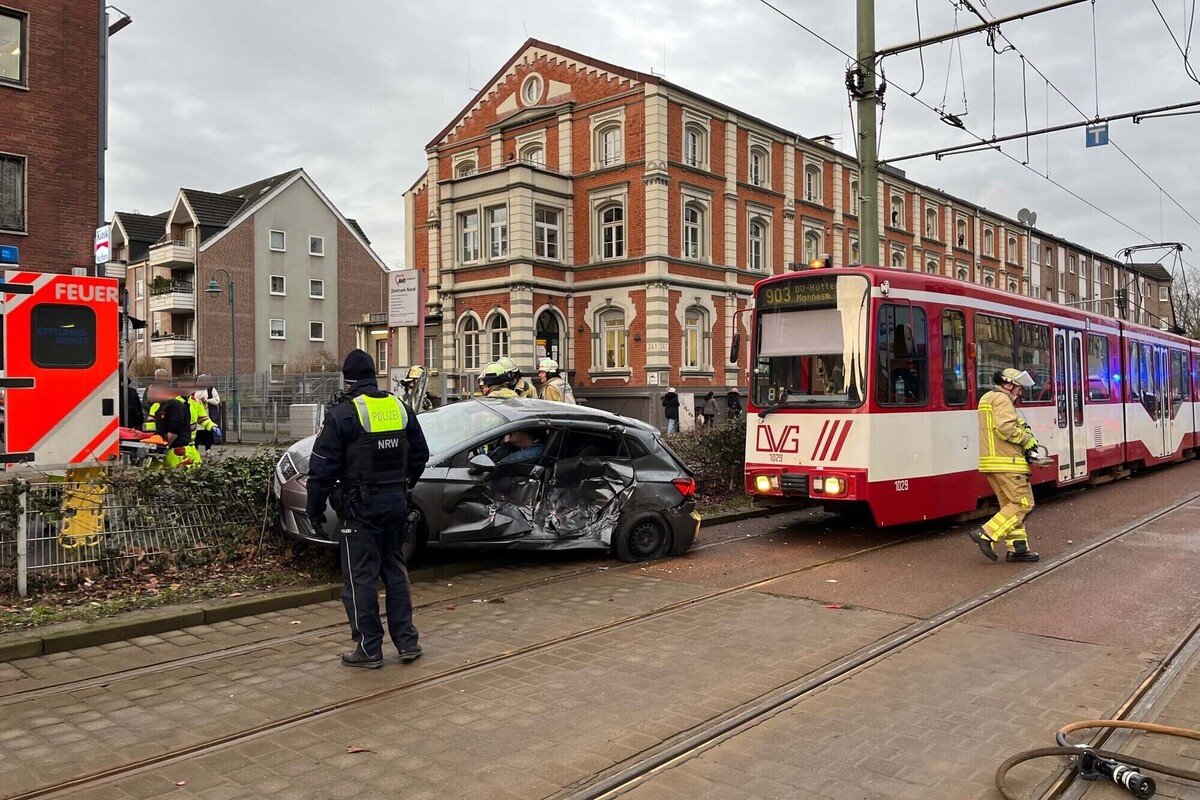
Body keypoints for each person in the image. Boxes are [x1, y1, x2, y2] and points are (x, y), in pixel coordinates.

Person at [306, 349, 430, 669]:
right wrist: (403, 485)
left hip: (359, 510)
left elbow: (321, 470)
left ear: (347, 380)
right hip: (396, 504)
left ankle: (369, 648)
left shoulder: (344, 414)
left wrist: (315, 511)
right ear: (374, 376)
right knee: (395, 570)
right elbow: (421, 454)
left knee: (360, 578)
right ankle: (407, 642)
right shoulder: (399, 407)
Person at [970, 368, 1041, 563]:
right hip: (1008, 462)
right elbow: (1006, 429)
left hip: (993, 462)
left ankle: (1018, 548)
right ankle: (986, 534)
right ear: (1008, 385)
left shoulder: (987, 398)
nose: (1020, 392)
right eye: (1019, 388)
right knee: (1023, 504)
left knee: (1010, 506)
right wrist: (1027, 440)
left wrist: (1023, 428)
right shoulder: (1003, 399)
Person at [145, 384, 197, 469]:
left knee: (178, 474)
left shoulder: (175, 405)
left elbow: (174, 429)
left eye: (151, 393)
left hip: (176, 450)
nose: (148, 396)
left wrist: (164, 446)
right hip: (166, 448)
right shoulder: (161, 406)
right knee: (153, 473)